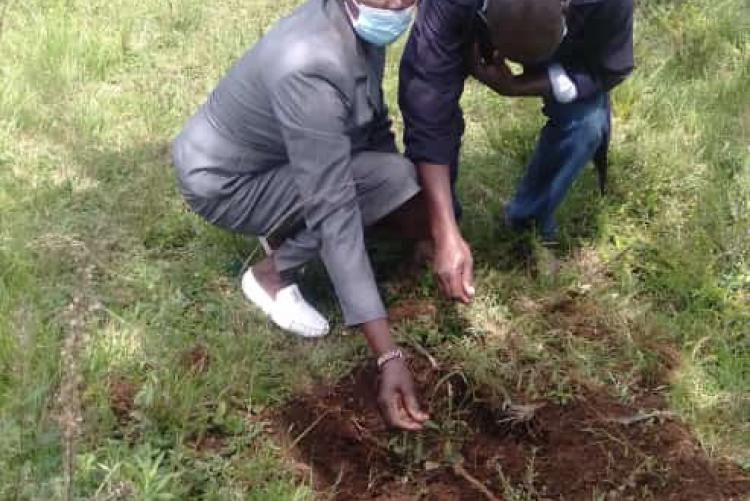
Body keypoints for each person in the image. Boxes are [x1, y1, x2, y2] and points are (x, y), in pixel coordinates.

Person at [171, 0, 430, 431]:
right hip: (225, 183)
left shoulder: (356, 27)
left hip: (264, 158)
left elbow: (372, 119)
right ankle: (273, 274)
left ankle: (286, 224)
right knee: (350, 198)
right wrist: (388, 355)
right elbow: (335, 212)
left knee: (393, 177)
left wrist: (409, 212)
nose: (396, 6)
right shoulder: (310, 63)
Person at [399, 0, 634, 299]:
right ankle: (437, 228)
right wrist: (440, 229)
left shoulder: (604, 5)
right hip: (471, 24)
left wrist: (519, 85)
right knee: (432, 109)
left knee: (586, 122)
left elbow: (608, 68)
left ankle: (530, 221)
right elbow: (427, 105)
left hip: (564, 48)